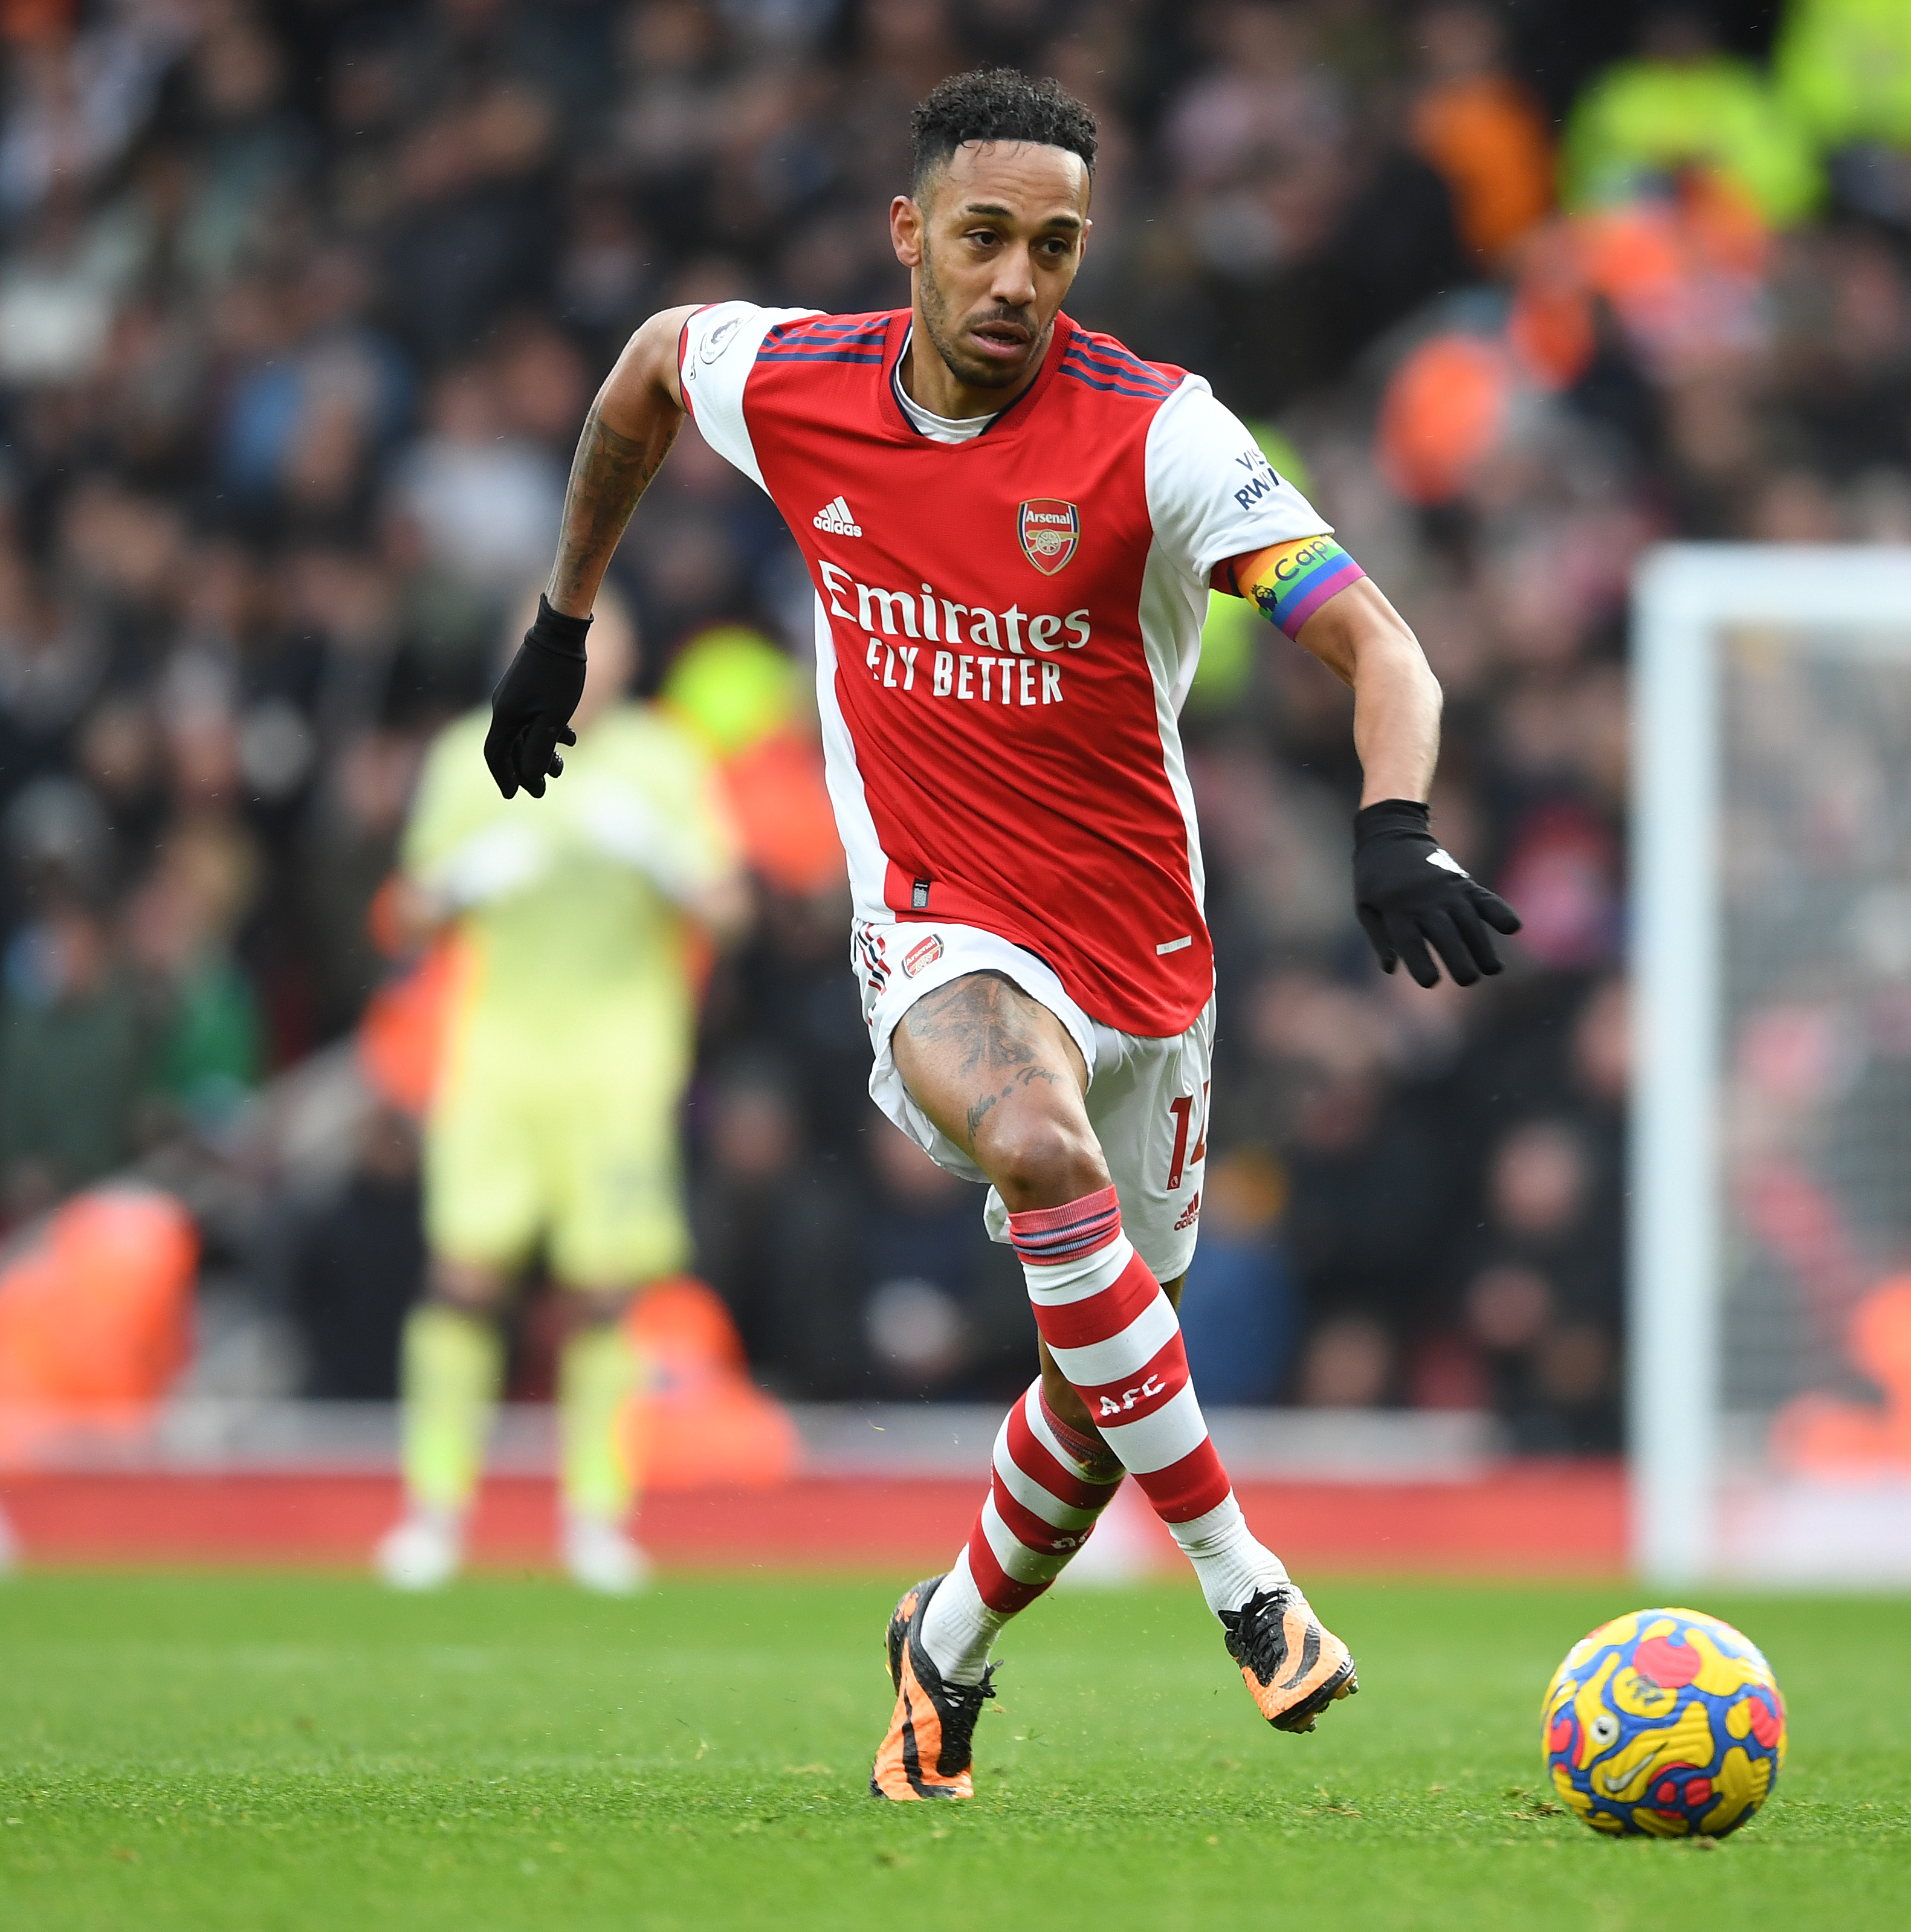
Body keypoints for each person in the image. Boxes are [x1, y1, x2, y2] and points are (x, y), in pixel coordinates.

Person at [483, 68, 1518, 1798]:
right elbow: (654, 362)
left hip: (1144, 965)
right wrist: (560, 616)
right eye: (981, 238)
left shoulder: (1159, 434)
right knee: (1040, 1156)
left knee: (1100, 1382)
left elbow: (1385, 648)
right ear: (910, 235)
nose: (1017, 280)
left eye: (1053, 246)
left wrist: (1393, 821)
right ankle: (1247, 1589)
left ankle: (941, 1644)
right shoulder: (799, 382)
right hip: (935, 923)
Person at [375, 591, 746, 1595]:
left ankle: (595, 1513)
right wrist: (455, 884)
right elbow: (402, 917)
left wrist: (667, 860)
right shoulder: (467, 756)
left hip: (622, 1060)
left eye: (608, 638)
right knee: (464, 1275)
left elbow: (733, 905)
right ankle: (436, 1509)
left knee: (603, 1294)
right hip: (496, 1054)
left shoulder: (665, 761)